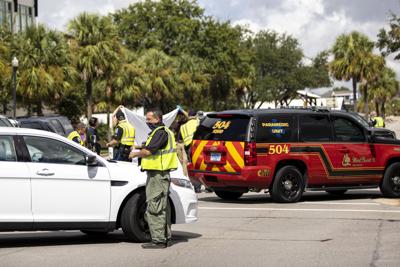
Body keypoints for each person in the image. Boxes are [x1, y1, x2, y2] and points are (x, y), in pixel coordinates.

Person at [129, 109, 178, 249]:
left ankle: (158, 241)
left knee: (155, 207)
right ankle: (165, 238)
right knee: (162, 207)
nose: (147, 122)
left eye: (149, 119)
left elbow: (149, 151)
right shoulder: (163, 132)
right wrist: (139, 146)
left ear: (157, 119)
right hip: (159, 174)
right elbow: (151, 146)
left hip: (158, 175)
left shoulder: (160, 132)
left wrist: (135, 154)